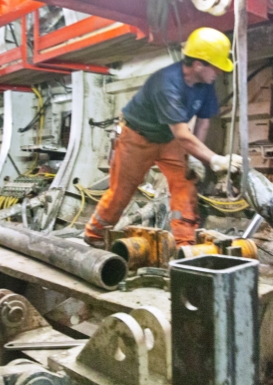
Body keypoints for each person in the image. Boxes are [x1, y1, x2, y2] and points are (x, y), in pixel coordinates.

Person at [84, 27, 242, 248]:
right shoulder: (167, 83)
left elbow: (204, 121)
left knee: (185, 184)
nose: (219, 72)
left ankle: (184, 245)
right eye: (216, 67)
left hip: (169, 140)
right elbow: (182, 133)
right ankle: (95, 234)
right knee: (122, 189)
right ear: (198, 65)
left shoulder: (205, 84)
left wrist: (195, 157)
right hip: (137, 137)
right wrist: (214, 159)